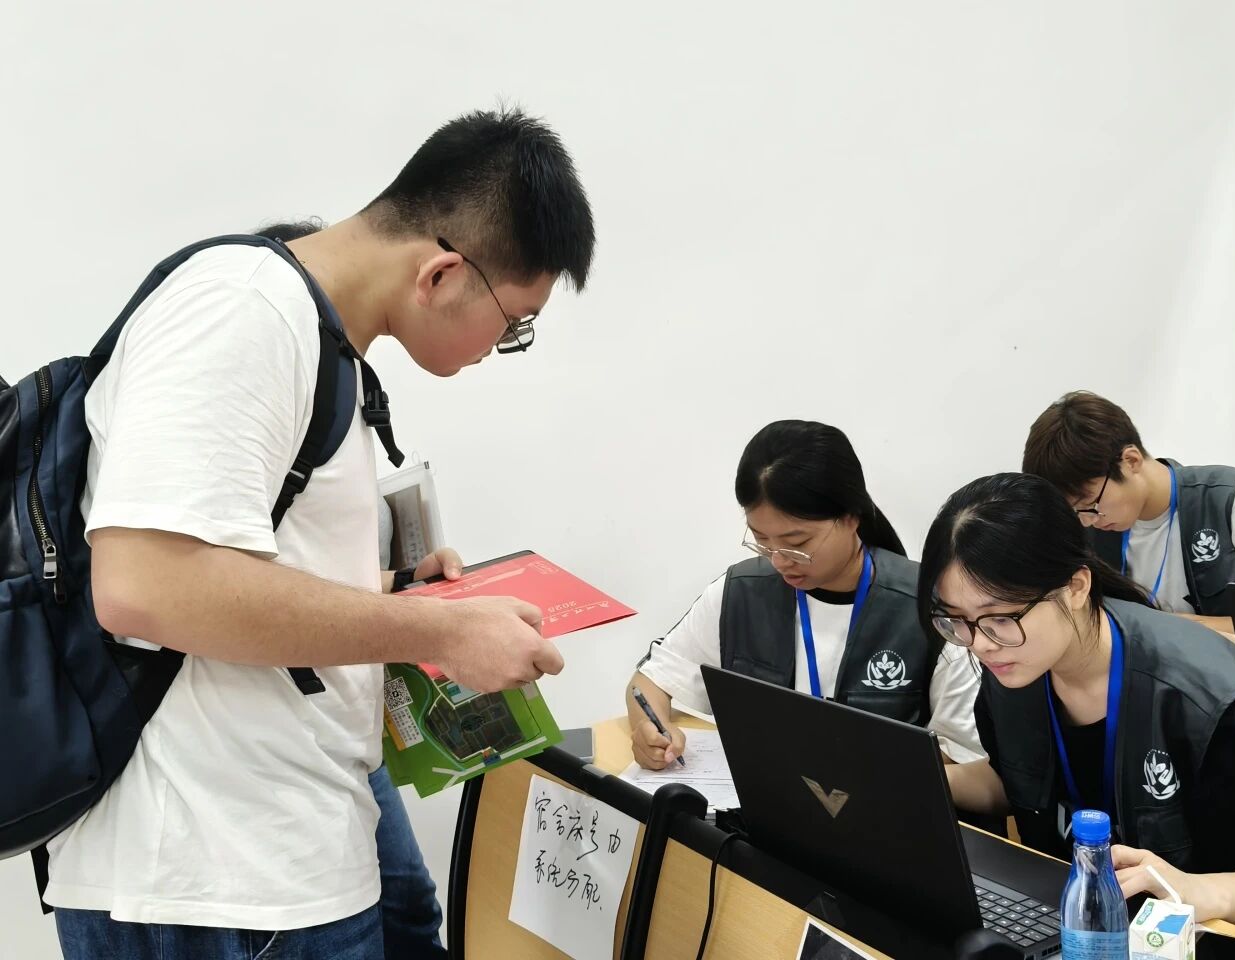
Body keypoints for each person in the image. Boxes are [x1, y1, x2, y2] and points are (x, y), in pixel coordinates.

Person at [47, 108, 594, 959]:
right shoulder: (242, 308)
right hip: (215, 883)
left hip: (282, 851)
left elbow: (242, 573)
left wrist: (404, 596)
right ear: (443, 273)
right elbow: (145, 587)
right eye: (515, 320)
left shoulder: (318, 341)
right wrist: (439, 633)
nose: (504, 344)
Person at [924, 473, 1235, 931]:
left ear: (1075, 587)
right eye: (956, 621)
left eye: (1001, 617)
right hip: (1068, 923)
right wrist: (919, 774)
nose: (980, 644)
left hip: (1187, 937)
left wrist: (1199, 892)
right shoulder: (1015, 664)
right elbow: (1014, 780)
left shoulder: (1200, 695)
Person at [255, 222, 449, 959]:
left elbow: (312, 572)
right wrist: (445, 632)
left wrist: (408, 582)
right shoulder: (259, 385)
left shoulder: (343, 403)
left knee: (409, 908)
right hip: (282, 747)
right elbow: (234, 591)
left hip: (345, 730)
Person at [627, 420, 985, 771]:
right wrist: (649, 729)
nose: (779, 561)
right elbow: (652, 680)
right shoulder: (740, 593)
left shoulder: (930, 610)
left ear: (851, 517)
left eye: (797, 543)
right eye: (762, 541)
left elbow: (963, 757)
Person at [1022, 390, 1235, 635]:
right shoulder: (1087, 527)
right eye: (1075, 511)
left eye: (1090, 503)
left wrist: (1164, 628)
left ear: (1131, 461)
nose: (1087, 521)